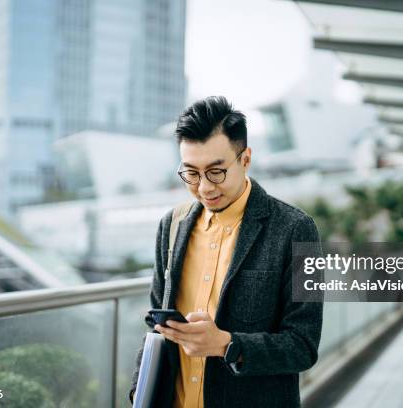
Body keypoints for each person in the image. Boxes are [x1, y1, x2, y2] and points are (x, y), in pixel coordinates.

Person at [128, 96, 323, 407]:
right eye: (191, 173)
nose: (204, 187)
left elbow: (302, 345)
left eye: (216, 171)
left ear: (245, 159)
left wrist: (226, 344)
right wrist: (141, 391)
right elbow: (156, 328)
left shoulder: (295, 229)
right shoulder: (172, 225)